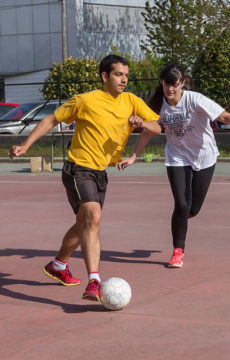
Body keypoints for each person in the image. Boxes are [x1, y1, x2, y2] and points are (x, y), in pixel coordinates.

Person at [8, 54, 161, 301]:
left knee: (84, 225)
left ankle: (58, 266)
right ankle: (94, 281)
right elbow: (50, 119)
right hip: (78, 168)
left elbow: (158, 127)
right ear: (105, 76)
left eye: (126, 76)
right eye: (119, 75)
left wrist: (142, 122)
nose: (124, 80)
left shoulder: (131, 101)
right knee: (94, 217)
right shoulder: (85, 101)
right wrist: (25, 145)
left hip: (100, 172)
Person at [119, 64, 230, 268]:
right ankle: (178, 251)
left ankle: (181, 220)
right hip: (177, 157)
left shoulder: (194, 99)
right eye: (167, 84)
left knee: (192, 209)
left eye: (175, 85)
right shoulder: (159, 105)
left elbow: (225, 116)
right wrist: (133, 156)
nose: (170, 89)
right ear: (162, 83)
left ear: (182, 83)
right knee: (181, 204)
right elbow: (149, 131)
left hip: (204, 156)